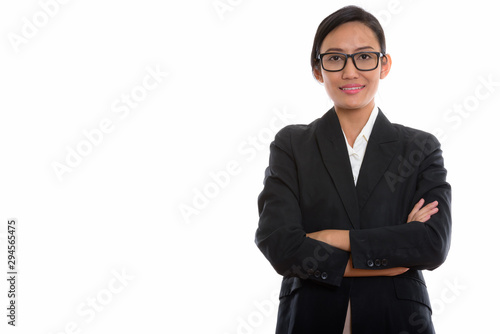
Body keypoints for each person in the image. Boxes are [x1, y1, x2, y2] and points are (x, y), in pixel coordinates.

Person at [255, 5, 451, 334]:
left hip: (398, 320)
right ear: (318, 69)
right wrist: (389, 262)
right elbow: (280, 245)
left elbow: (431, 242)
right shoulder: (292, 144)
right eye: (335, 58)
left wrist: (332, 238)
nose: (350, 72)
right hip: (309, 317)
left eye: (364, 57)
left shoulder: (420, 148)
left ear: (383, 64)